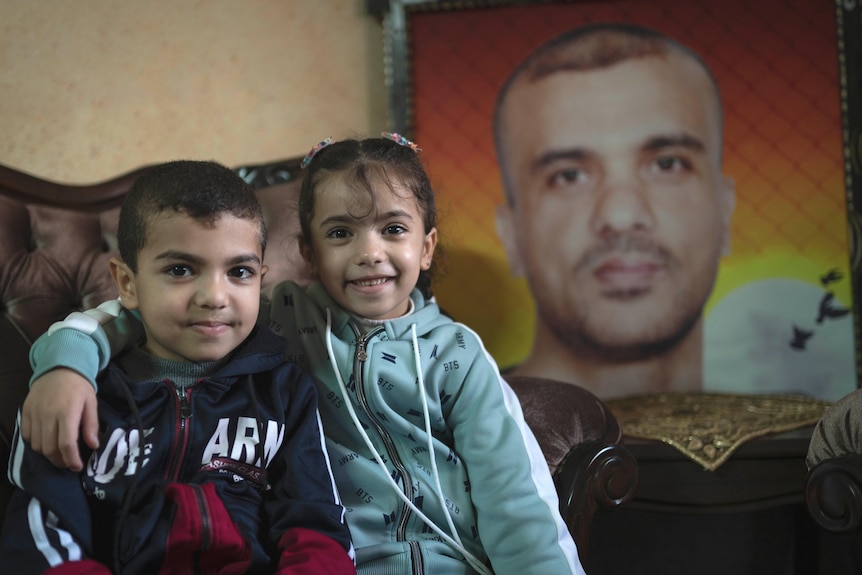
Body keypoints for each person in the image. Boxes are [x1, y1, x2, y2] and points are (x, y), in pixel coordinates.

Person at [19, 136, 585, 575]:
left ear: (427, 246)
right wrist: (66, 363)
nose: (370, 254)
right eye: (341, 233)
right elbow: (130, 316)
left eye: (393, 229)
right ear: (309, 252)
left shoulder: (459, 356)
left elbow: (517, 500)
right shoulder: (274, 319)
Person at [0, 160, 356, 574]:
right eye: (181, 270)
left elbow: (317, 527)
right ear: (128, 284)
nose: (214, 296)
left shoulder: (284, 391)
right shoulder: (76, 393)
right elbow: (38, 539)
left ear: (262, 278)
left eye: (239, 272)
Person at [492, 22, 736, 399]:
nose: (621, 216)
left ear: (725, 211)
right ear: (511, 236)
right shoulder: (451, 442)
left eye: (667, 165)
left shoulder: (820, 431)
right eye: (569, 176)